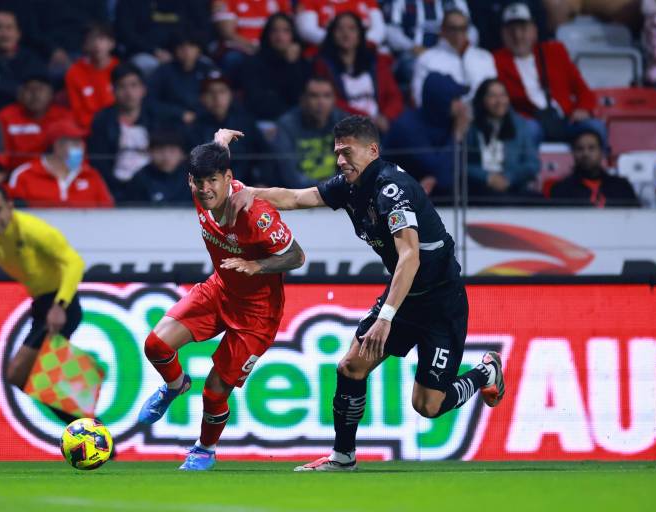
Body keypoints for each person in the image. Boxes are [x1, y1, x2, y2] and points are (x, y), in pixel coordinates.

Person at [226, 115, 505, 471]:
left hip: (440, 302)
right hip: (404, 296)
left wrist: (385, 318)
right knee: (351, 366)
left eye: (347, 152)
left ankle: (485, 372)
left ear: (372, 150)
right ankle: (343, 458)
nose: (340, 160)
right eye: (337, 153)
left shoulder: (392, 189)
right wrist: (250, 193)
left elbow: (410, 256)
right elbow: (299, 197)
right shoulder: (350, 186)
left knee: (428, 406)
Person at [137, 128, 305, 471]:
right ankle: (174, 385)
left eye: (213, 180)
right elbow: (215, 156)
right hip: (219, 290)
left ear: (228, 179)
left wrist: (255, 264)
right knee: (155, 345)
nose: (205, 189)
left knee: (214, 392)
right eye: (199, 182)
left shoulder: (257, 215)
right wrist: (222, 140)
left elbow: (298, 257)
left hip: (257, 313)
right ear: (190, 181)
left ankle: (205, 449)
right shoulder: (203, 194)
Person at [0, 183, 85, 425]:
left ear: (10, 207)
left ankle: (88, 427)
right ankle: (88, 424)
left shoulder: (33, 230)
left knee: (20, 373)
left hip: (61, 305)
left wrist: (60, 305)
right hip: (42, 307)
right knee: (22, 377)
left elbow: (74, 263)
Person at [493, 3, 601, 144]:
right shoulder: (496, 61)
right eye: (511, 30)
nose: (518, 36)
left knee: (595, 127)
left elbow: (583, 90)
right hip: (530, 121)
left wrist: (582, 109)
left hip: (565, 118)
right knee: (528, 130)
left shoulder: (555, 52)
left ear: (534, 31)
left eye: (523, 29)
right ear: (503, 34)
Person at [87, 63, 171, 200]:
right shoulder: (102, 121)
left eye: (134, 85)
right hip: (114, 187)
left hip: (152, 185)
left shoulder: (157, 118)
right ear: (113, 90)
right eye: (122, 86)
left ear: (143, 89)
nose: (129, 92)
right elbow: (99, 163)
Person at [314, 12, 404, 134]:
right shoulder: (323, 65)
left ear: (360, 34)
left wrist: (386, 117)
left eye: (352, 29)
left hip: (383, 124)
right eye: (340, 29)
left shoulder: (377, 61)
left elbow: (394, 96)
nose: (346, 34)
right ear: (332, 34)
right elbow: (331, 102)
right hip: (345, 127)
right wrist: (365, 119)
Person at [386, 72, 471, 196]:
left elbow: (454, 173)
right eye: (456, 99)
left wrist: (437, 178)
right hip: (396, 195)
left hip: (429, 194)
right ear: (442, 101)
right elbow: (436, 168)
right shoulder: (408, 127)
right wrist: (456, 136)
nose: (461, 106)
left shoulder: (451, 121)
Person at [9, 118, 114, 208]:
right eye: (75, 142)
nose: (81, 148)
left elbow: (109, 216)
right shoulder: (25, 175)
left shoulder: (92, 176)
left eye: (81, 142)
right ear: (57, 146)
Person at [189, 73, 270, 184]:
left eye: (222, 91)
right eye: (210, 92)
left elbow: (265, 157)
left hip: (246, 188)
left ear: (230, 95)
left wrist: (262, 182)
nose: (217, 97)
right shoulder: (194, 127)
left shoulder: (246, 123)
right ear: (202, 98)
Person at [466, 78, 539, 202]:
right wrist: (488, 178)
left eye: (503, 95)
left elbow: (532, 164)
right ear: (482, 100)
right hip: (480, 188)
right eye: (492, 96)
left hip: (512, 187)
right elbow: (460, 165)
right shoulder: (470, 126)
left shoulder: (520, 125)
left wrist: (508, 178)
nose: (499, 101)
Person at [271, 76, 347, 188]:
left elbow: (352, 168)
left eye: (327, 96)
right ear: (303, 100)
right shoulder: (287, 125)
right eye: (314, 96)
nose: (321, 102)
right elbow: (290, 176)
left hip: (336, 193)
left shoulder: (343, 122)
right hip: (299, 195)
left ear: (334, 99)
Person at [411, 8, 496, 106]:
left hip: (482, 117)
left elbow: (494, 91)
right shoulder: (426, 59)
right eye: (453, 28)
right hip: (444, 117)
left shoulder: (484, 57)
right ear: (442, 30)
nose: (458, 33)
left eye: (462, 28)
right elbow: (419, 99)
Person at [239, 13, 312, 122]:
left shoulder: (301, 62)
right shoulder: (253, 63)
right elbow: (257, 101)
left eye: (285, 30)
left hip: (299, 120)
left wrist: (292, 65)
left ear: (293, 34)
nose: (280, 36)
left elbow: (301, 96)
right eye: (274, 30)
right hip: (266, 120)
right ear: (267, 34)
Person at [0, 72, 75, 169]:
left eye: (40, 89)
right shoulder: (6, 117)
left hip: (57, 175)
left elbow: (74, 153)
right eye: (29, 89)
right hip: (16, 175)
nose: (35, 94)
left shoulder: (65, 117)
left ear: (51, 94)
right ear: (20, 94)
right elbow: (0, 155)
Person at [115, 0, 212, 76]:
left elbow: (203, 30)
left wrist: (187, 50)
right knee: (147, 65)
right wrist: (153, 51)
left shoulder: (189, 2)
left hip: (185, 50)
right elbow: (126, 33)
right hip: (147, 53)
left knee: (206, 65)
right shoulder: (130, 2)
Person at [549, 129, 640, 207]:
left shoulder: (621, 187)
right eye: (580, 149)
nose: (585, 154)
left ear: (602, 152)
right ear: (573, 154)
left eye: (591, 148)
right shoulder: (561, 190)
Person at [148, 33, 217, 124]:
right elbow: (150, 101)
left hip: (206, 121)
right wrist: (179, 113)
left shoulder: (208, 71)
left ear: (199, 49)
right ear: (174, 50)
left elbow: (220, 99)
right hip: (171, 122)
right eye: (181, 47)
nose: (186, 51)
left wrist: (198, 114)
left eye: (191, 46)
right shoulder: (163, 71)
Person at [64, 22, 119, 132]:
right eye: (92, 39)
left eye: (101, 39)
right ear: (84, 45)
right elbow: (77, 110)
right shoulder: (74, 72)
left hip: (117, 127)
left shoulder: (120, 69)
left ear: (112, 43)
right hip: (86, 129)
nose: (97, 44)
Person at [123, 131, 192, 205]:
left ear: (182, 154)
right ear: (150, 152)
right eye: (160, 151)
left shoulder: (193, 179)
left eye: (172, 151)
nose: (166, 157)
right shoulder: (140, 178)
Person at [296, 0, 386, 47]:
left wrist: (358, 46)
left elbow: (379, 29)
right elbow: (306, 30)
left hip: (365, 51)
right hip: (323, 53)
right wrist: (340, 43)